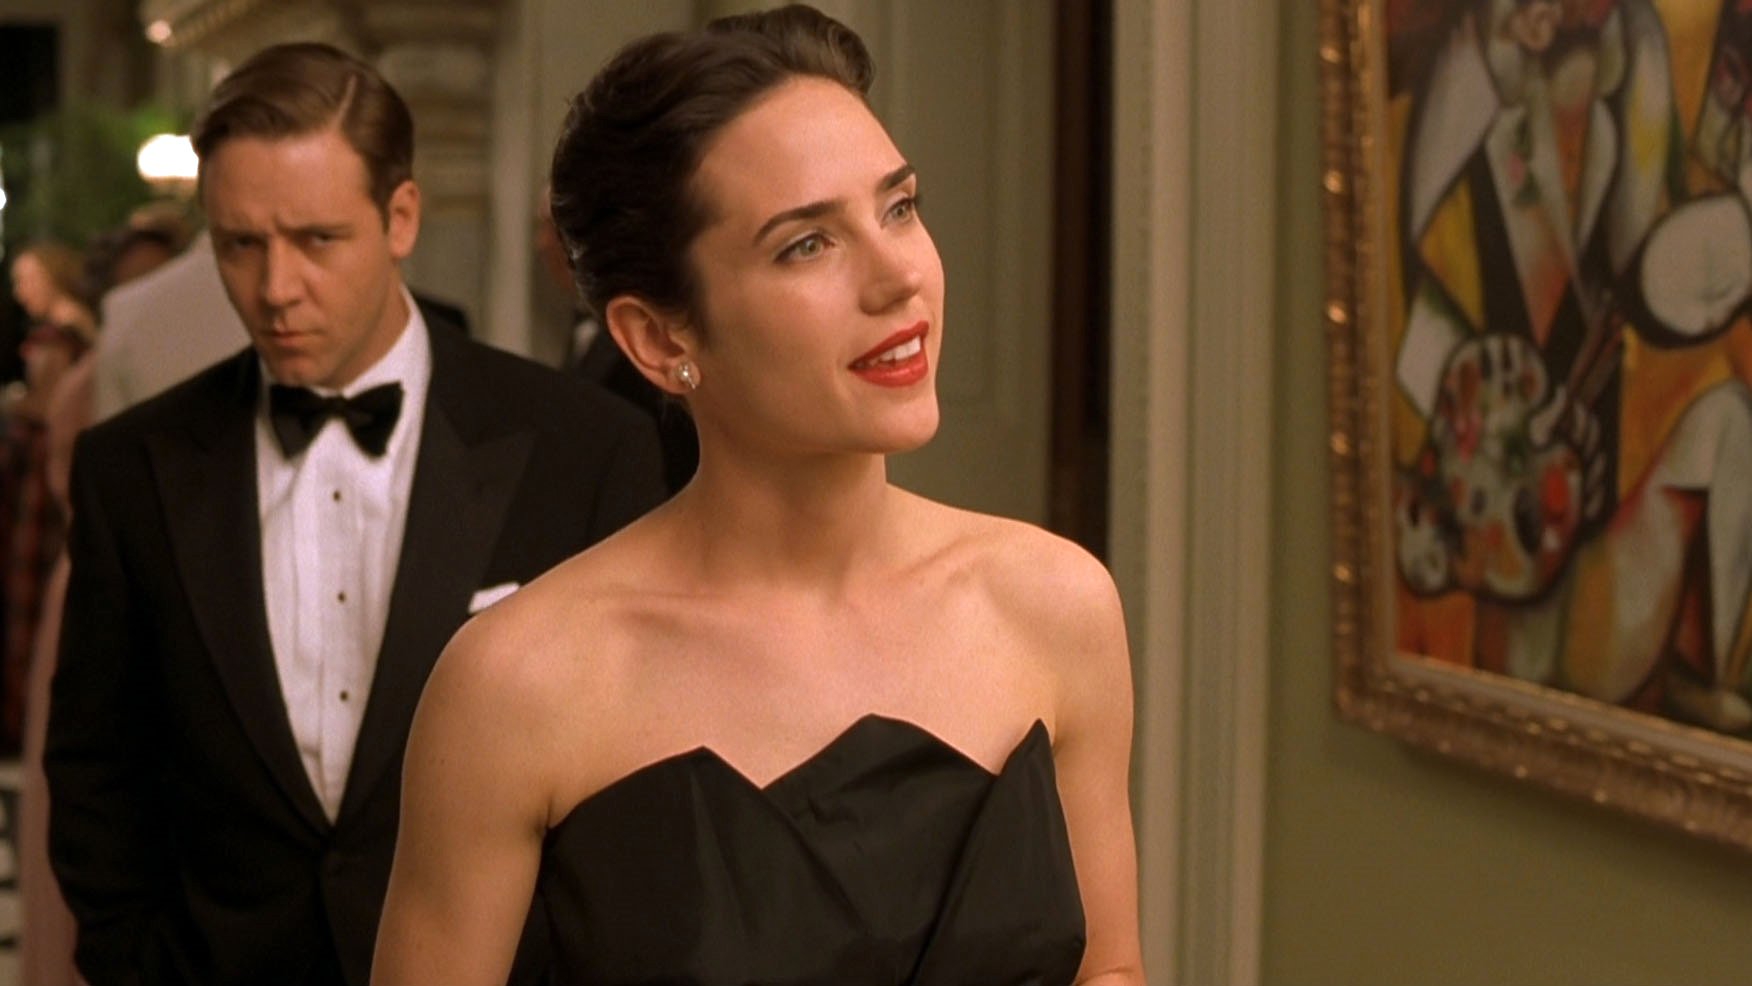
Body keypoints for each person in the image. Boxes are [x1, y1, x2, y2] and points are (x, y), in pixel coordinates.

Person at [373, 7, 1144, 986]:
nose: (898, 277)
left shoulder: (1054, 605)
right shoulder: (518, 685)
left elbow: (1110, 970)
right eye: (806, 244)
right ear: (661, 338)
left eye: (899, 207)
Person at [45, 42, 665, 986]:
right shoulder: (132, 468)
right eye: (240, 245)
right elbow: (96, 774)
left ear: (400, 217)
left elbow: (633, 777)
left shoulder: (586, 449)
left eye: (318, 240)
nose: (275, 288)